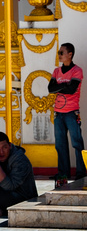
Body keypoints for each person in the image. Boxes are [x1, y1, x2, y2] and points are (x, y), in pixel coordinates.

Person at [49, 43, 85, 187]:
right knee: (60, 144)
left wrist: (59, 87)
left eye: (61, 52)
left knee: (77, 143)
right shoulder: (56, 71)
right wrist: (65, 86)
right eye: (59, 52)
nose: (59, 55)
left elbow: (73, 89)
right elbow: (50, 89)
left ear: (70, 54)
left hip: (72, 112)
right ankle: (63, 173)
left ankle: (81, 173)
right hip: (58, 112)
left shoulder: (77, 70)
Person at [0, 131, 37, 216]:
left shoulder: (20, 160)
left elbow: (9, 186)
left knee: (2, 199)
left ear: (9, 146)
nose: (1, 152)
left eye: (4, 147)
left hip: (20, 196)